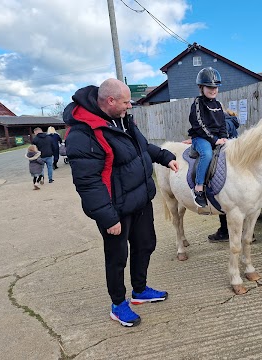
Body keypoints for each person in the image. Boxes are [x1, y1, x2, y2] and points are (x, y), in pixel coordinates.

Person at [63, 78, 179, 327]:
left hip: (140, 199)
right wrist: (107, 217)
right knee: (117, 257)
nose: (130, 106)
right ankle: (118, 303)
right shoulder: (83, 132)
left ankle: (140, 290)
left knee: (145, 245)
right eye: (126, 102)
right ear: (110, 101)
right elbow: (88, 182)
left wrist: (166, 157)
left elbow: (142, 146)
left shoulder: (123, 119)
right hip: (114, 208)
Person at [188, 67, 227, 208]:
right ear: (201, 87)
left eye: (215, 87)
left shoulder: (218, 105)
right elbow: (199, 124)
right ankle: (199, 187)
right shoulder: (198, 103)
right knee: (207, 154)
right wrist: (215, 140)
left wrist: (224, 137)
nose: (213, 89)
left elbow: (223, 123)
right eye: (209, 86)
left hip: (216, 137)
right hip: (201, 138)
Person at [207, 107, 239, 242]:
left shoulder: (223, 122)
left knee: (221, 194)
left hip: (226, 160)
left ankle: (225, 231)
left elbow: (221, 140)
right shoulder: (230, 120)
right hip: (234, 160)